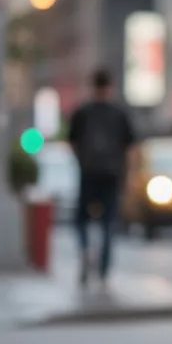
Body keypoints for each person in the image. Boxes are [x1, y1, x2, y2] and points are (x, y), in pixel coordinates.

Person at [67, 69, 138, 287]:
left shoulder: (82, 112)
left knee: (81, 220)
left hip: (88, 172)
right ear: (110, 86)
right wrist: (128, 175)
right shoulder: (119, 113)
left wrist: (81, 162)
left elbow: (72, 143)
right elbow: (130, 147)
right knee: (108, 222)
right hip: (112, 173)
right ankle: (104, 270)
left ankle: (86, 250)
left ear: (92, 86)